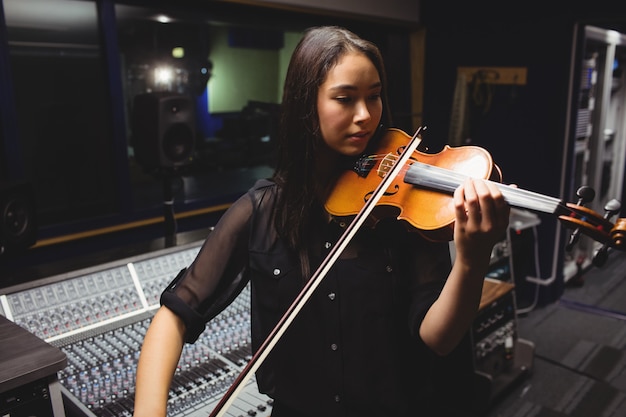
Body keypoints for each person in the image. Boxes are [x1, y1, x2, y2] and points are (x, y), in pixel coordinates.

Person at [133, 26, 510, 417]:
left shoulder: (401, 208)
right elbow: (175, 315)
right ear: (305, 104)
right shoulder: (262, 211)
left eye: (375, 96)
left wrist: (471, 259)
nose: (365, 115)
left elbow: (439, 338)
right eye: (345, 99)